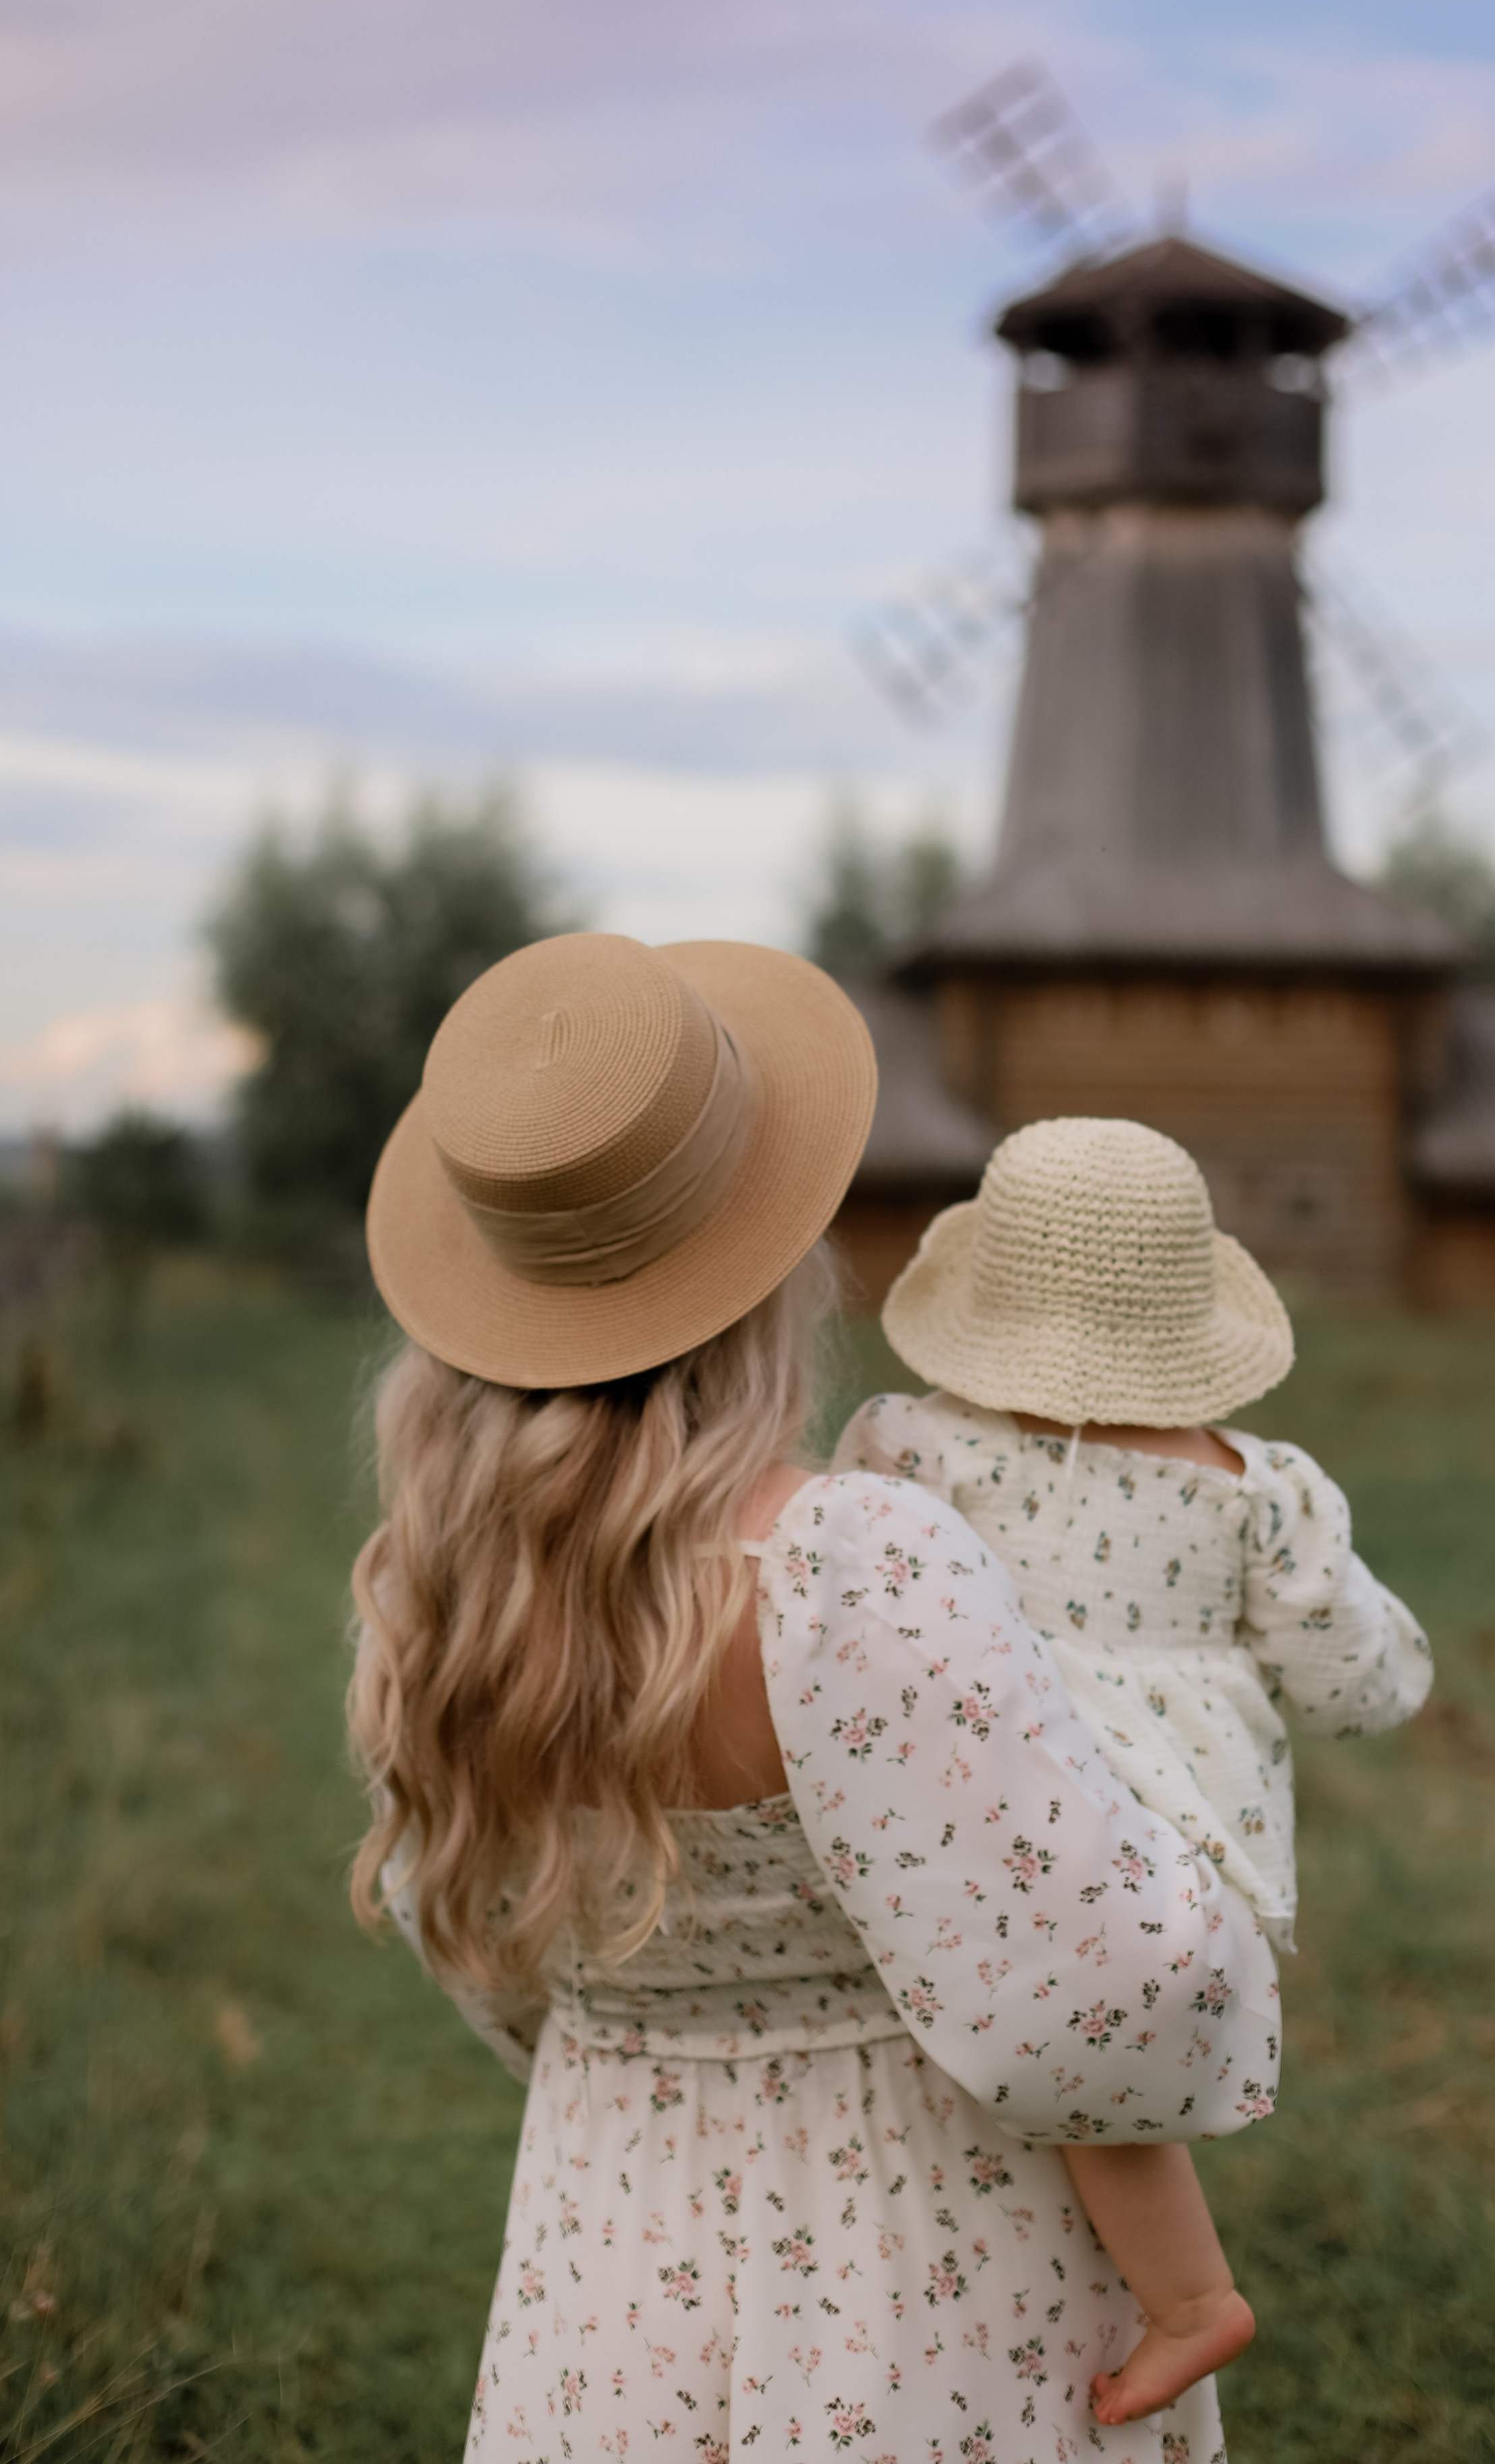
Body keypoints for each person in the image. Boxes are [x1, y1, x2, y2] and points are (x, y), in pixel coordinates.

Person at [347, 934, 1284, 2461]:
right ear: (775, 1258)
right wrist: (1201, 1873)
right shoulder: (850, 1564)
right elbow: (1078, 1973)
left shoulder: (441, 1587)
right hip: (918, 2250)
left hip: (610, 2240)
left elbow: (491, 1952)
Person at [835, 1114, 1434, 2426]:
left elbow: (839, 1629)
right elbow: (1357, 1686)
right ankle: (1178, 2298)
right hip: (1179, 1880)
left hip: (983, 1840)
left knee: (999, 2076)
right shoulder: (1255, 1494)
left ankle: (1142, 2305)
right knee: (1098, 2097)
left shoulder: (915, 1453)